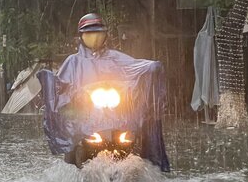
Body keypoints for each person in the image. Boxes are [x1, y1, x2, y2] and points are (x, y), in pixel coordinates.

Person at [39, 12, 170, 171]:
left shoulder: (116, 57)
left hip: (117, 114)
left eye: (99, 33)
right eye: (89, 33)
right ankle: (72, 168)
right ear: (81, 36)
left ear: (105, 35)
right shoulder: (73, 62)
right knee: (73, 141)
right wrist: (66, 92)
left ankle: (143, 164)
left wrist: (151, 68)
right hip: (85, 115)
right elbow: (61, 87)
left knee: (135, 133)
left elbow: (134, 68)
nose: (94, 37)